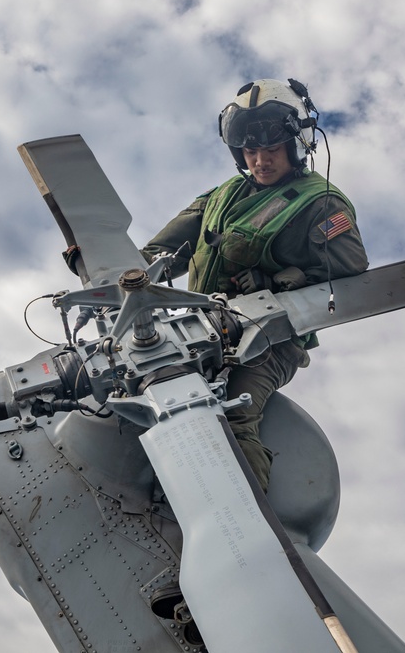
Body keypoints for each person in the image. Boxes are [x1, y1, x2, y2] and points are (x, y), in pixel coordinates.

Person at [141, 78, 368, 492]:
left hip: (270, 342)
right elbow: (160, 254)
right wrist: (115, 274)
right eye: (250, 151)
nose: (260, 161)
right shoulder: (222, 195)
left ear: (296, 145)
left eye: (271, 150)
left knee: (230, 416)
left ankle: (255, 530)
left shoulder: (319, 203)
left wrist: (281, 280)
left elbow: (351, 272)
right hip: (201, 332)